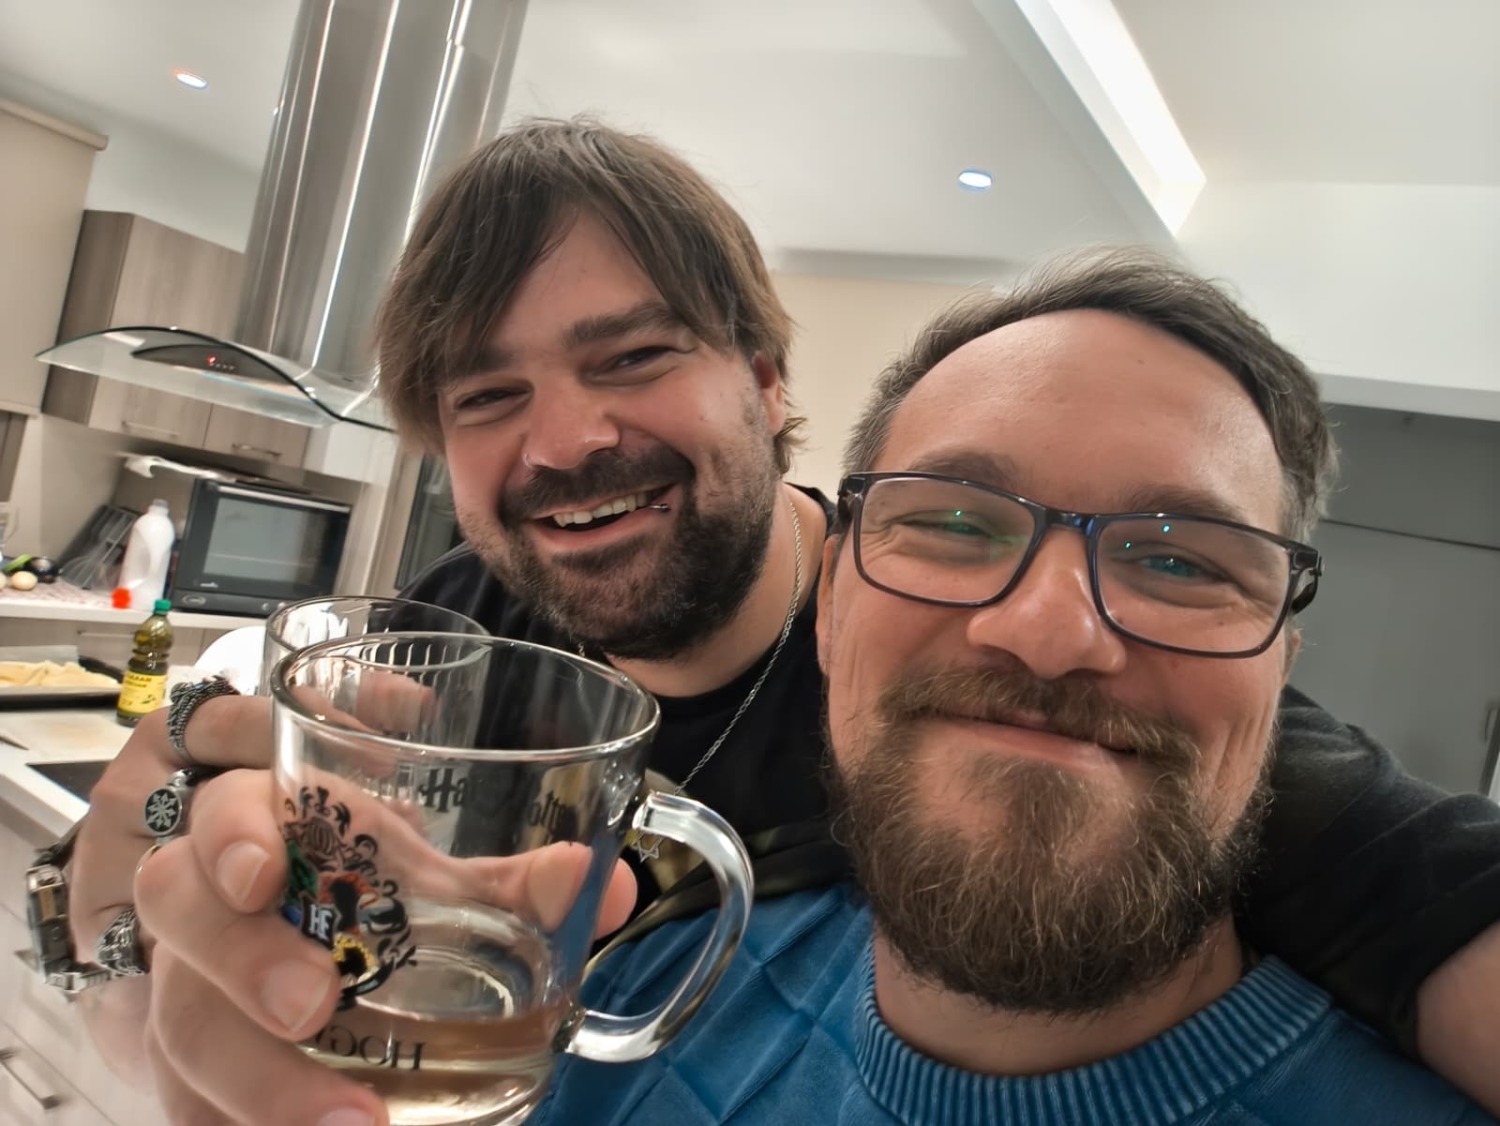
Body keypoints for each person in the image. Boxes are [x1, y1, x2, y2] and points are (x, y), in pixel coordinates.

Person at [55, 119, 1500, 1125]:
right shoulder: (469, 636)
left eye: (633, 356)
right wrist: (156, 912)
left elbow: (1429, 893)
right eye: (488, 397)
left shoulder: (1012, 688)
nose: (562, 442)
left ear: (763, 381)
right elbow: (180, 902)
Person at [531, 249, 1496, 1125]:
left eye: (1178, 561)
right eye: (954, 524)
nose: (1048, 635)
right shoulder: (652, 993)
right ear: (829, 605)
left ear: (1280, 668)